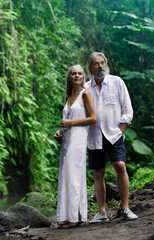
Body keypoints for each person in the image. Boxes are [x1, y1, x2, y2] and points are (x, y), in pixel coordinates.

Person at [85, 52, 138, 223]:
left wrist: (121, 129)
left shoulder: (117, 82)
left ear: (106, 65)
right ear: (90, 67)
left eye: (102, 63)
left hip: (114, 134)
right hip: (94, 135)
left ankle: (125, 207)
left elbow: (127, 108)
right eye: (95, 63)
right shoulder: (86, 88)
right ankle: (101, 212)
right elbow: (77, 112)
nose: (100, 66)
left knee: (120, 165)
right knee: (98, 173)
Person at [53, 65, 97, 228]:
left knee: (73, 176)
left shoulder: (85, 94)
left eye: (80, 73)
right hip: (67, 140)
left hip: (79, 139)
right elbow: (67, 121)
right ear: (69, 77)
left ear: (83, 77)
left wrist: (70, 123)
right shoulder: (69, 96)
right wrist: (60, 132)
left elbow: (93, 118)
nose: (77, 76)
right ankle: (73, 215)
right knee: (67, 176)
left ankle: (74, 218)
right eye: (74, 74)